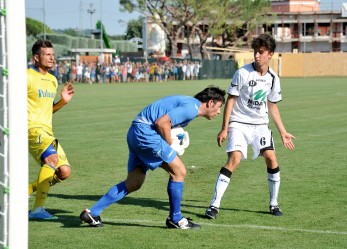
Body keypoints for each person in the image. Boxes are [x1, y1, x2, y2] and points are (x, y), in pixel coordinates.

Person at [80, 86, 226, 229]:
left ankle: (92, 213)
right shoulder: (191, 108)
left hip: (136, 131)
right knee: (179, 171)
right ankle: (176, 219)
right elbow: (162, 123)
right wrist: (170, 144)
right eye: (219, 106)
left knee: (134, 182)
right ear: (210, 102)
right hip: (146, 133)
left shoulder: (190, 105)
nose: (219, 112)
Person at [204, 34, 295, 220]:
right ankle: (214, 205)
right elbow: (231, 101)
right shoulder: (242, 73)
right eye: (255, 52)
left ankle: (274, 203)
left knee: (271, 157)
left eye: (261, 52)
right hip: (239, 123)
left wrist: (283, 132)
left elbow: (273, 107)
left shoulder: (273, 78)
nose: (256, 56)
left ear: (270, 54)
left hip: (260, 125)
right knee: (234, 159)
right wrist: (225, 127)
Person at [28, 40, 75, 220]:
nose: (52, 58)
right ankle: (37, 210)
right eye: (47, 55)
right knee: (52, 160)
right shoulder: (26, 77)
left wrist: (63, 101)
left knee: (64, 172)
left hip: (47, 131)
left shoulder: (52, 80)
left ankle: (27, 190)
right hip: (31, 129)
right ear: (36, 57)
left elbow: (49, 109)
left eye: (53, 55)